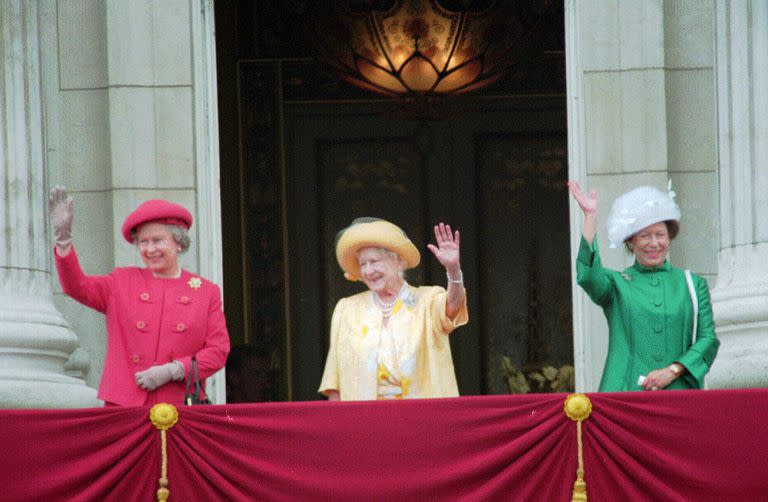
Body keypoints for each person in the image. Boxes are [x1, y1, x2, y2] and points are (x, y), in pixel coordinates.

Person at [48, 187, 230, 406]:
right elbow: (76, 286)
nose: (150, 249)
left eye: (157, 240)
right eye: (143, 242)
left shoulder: (205, 292)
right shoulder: (121, 282)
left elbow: (218, 351)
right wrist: (63, 241)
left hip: (180, 406)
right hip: (124, 405)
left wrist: (175, 369)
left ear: (179, 243)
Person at [568, 180, 719, 392]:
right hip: (626, 393)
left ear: (670, 238)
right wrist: (590, 218)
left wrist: (673, 371)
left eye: (660, 235)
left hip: (679, 393)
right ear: (630, 241)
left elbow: (708, 339)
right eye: (644, 236)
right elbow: (588, 277)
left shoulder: (692, 284)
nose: (654, 243)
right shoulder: (616, 284)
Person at [319, 218, 469, 401]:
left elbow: (453, 306)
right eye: (363, 264)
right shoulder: (347, 310)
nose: (368, 271)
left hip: (419, 418)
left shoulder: (427, 301)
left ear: (398, 261)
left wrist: (453, 270)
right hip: (364, 420)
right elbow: (334, 384)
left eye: (374, 261)